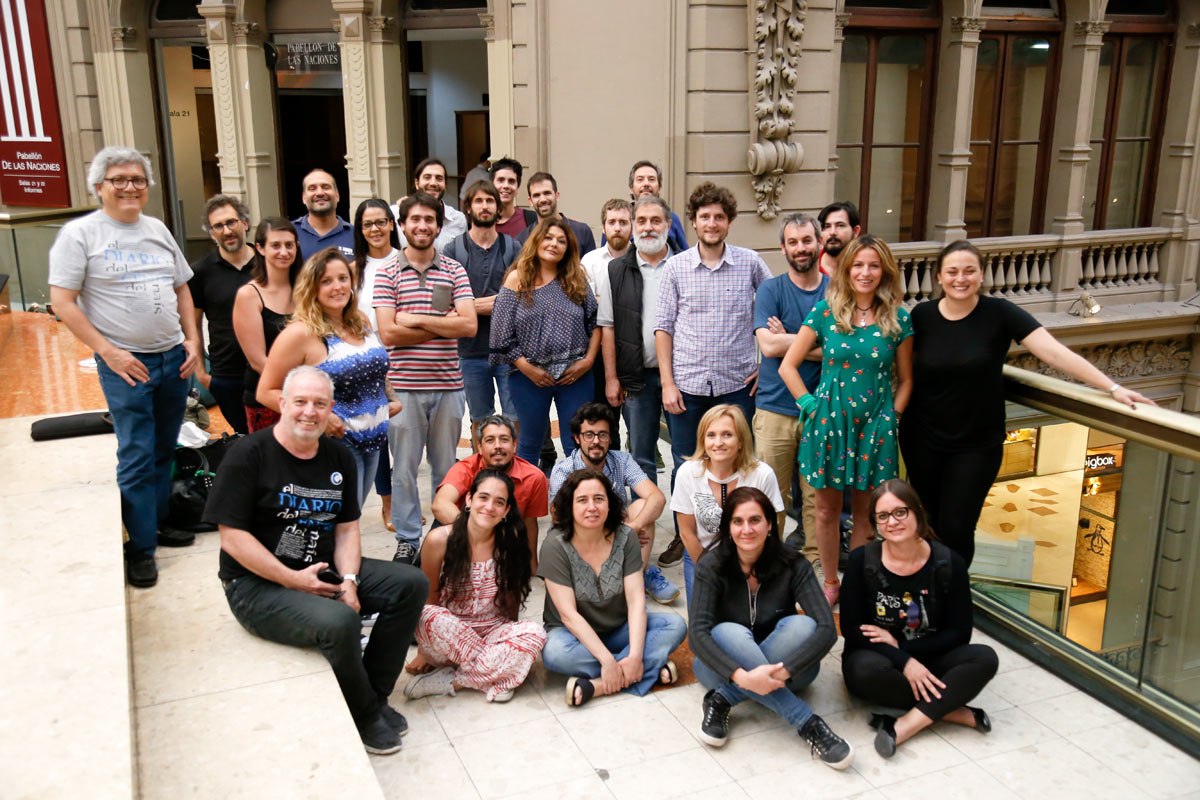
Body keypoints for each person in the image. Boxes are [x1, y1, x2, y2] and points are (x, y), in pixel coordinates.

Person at [204, 365, 428, 755]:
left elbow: (346, 529)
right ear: (282, 403)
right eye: (301, 402)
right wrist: (292, 580)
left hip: (324, 567)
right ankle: (364, 714)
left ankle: (373, 694)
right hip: (255, 585)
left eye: (320, 404)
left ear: (331, 409)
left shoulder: (337, 455)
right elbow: (233, 539)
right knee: (340, 620)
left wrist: (350, 581)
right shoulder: (248, 454)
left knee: (411, 584)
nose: (310, 412)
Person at [901, 240, 1155, 567]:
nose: (960, 278)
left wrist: (1112, 386)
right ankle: (928, 589)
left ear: (981, 275)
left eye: (969, 271)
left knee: (958, 527)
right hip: (922, 439)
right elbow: (903, 366)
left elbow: (1052, 352)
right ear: (939, 277)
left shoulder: (999, 313)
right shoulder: (922, 315)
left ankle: (954, 593)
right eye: (952, 272)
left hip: (976, 444)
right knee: (926, 522)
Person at [49, 146, 202, 587]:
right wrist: (108, 351)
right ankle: (139, 548)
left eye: (137, 179)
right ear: (99, 187)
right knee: (136, 455)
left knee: (163, 448)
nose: (130, 187)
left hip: (173, 359)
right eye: (119, 179)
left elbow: (182, 289)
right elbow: (63, 302)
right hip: (126, 365)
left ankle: (156, 522)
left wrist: (192, 340)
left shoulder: (157, 229)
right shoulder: (80, 235)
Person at [780, 234, 913, 606]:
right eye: (858, 265)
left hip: (875, 429)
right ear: (846, 269)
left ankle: (855, 583)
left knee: (865, 516)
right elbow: (789, 365)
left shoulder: (899, 318)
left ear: (884, 271)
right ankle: (829, 581)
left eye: (873, 265)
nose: (865, 273)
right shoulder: (826, 312)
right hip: (830, 427)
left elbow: (907, 380)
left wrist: (892, 418)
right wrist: (811, 406)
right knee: (825, 511)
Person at [689, 487, 852, 769]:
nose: (747, 529)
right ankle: (808, 723)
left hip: (789, 673)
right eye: (738, 521)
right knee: (727, 632)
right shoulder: (711, 565)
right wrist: (742, 675)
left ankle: (723, 699)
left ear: (770, 524)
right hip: (720, 669)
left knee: (803, 625)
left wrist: (785, 670)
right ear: (728, 527)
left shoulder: (793, 564)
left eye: (755, 520)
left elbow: (827, 628)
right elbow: (697, 636)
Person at [655, 182, 772, 568]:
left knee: (737, 464)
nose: (711, 223)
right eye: (704, 216)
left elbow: (774, 313)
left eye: (719, 216)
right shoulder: (676, 267)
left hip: (737, 387)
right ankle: (688, 534)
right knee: (687, 465)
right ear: (693, 221)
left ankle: (737, 533)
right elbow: (663, 327)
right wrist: (667, 383)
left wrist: (766, 366)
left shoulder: (750, 263)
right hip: (687, 388)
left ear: (729, 221)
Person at [840, 480, 999, 759]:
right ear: (875, 523)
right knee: (864, 670)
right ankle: (952, 710)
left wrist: (905, 651)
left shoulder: (949, 562)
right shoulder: (861, 560)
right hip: (881, 658)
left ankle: (903, 725)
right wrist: (903, 661)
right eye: (883, 516)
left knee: (985, 658)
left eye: (900, 512)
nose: (892, 522)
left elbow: (960, 633)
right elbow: (852, 629)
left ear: (918, 512)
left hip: (930, 654)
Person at [374, 192, 477, 563]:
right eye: (414, 219)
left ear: (438, 225)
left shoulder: (454, 270)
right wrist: (443, 325)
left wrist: (416, 319)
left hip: (448, 387)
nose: (422, 226)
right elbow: (389, 333)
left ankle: (442, 533)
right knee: (403, 469)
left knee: (446, 469)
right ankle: (407, 539)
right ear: (402, 226)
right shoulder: (387, 272)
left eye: (429, 220)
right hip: (403, 389)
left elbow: (468, 325)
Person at [256, 248, 400, 508]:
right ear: (312, 288)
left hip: (375, 439)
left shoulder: (360, 320)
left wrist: (391, 398)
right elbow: (266, 391)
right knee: (339, 517)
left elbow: (375, 365)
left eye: (343, 278)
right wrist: (320, 419)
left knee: (352, 513)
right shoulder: (300, 333)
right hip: (337, 442)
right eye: (327, 281)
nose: (338, 287)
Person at [539, 469, 687, 705]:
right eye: (582, 500)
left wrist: (636, 656)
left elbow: (636, 603)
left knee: (674, 624)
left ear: (609, 504)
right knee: (554, 652)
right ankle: (647, 669)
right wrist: (607, 661)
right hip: (572, 634)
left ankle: (598, 685)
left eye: (599, 499)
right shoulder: (554, 546)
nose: (592, 507)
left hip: (618, 627)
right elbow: (568, 616)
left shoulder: (626, 537)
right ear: (570, 506)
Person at [402, 468, 547, 702]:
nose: (489, 507)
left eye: (499, 502)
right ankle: (498, 673)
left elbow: (512, 602)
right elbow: (430, 600)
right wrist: (422, 653)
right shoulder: (439, 540)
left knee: (535, 634)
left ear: (506, 511)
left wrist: (511, 640)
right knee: (426, 615)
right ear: (469, 500)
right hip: (447, 637)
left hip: (492, 630)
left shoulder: (510, 541)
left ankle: (454, 681)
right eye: (483, 498)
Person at [489, 217, 600, 467]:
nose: (554, 244)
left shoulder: (576, 279)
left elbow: (595, 324)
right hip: (528, 377)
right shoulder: (517, 279)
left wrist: (588, 362)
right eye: (548, 238)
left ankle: (578, 491)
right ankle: (526, 491)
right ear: (536, 241)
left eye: (561, 241)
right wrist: (528, 368)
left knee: (577, 443)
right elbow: (500, 333)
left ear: (568, 248)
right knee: (529, 443)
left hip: (575, 376)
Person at [548, 403, 677, 605]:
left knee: (642, 507)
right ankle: (609, 580)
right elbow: (559, 518)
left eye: (602, 435)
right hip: (580, 537)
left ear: (610, 438)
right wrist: (611, 534)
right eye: (589, 435)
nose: (596, 441)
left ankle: (638, 577)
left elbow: (657, 498)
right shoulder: (564, 470)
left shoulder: (622, 460)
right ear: (577, 438)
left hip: (616, 529)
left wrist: (632, 527)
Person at [753, 213, 828, 557]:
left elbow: (841, 350)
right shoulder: (771, 289)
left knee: (818, 500)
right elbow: (768, 346)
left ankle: (814, 564)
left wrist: (789, 339)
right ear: (783, 248)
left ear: (819, 243)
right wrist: (815, 343)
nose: (801, 248)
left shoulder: (836, 292)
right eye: (793, 242)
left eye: (807, 240)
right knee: (771, 498)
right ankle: (772, 564)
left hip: (824, 411)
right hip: (775, 410)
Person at [671, 404, 784, 602]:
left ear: (741, 441)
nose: (718, 443)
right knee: (704, 616)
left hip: (752, 556)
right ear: (703, 440)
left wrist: (752, 572)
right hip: (702, 554)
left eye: (727, 435)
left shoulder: (762, 474)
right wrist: (711, 574)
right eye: (711, 435)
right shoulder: (687, 473)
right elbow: (687, 533)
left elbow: (773, 530)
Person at [442, 180, 519, 433]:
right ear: (468, 207)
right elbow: (444, 304)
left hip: (510, 351)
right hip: (470, 351)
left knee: (514, 419)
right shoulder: (453, 250)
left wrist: (466, 307)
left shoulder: (512, 247)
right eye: (478, 201)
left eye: (489, 201)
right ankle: (481, 461)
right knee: (479, 421)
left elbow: (520, 299)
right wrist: (500, 301)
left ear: (498, 208)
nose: (484, 206)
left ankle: (514, 461)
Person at [432, 414, 548, 571]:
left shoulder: (534, 477)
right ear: (479, 447)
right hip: (464, 534)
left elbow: (530, 524)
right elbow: (440, 504)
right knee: (437, 534)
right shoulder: (465, 469)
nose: (498, 446)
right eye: (490, 440)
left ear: (515, 445)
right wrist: (482, 532)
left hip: (506, 541)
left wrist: (532, 566)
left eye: (504, 440)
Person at [353, 198, 403, 531]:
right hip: (368, 363)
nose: (375, 229)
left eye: (381, 222)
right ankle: (387, 504)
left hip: (405, 359)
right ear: (360, 229)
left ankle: (406, 499)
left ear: (391, 225)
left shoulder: (405, 260)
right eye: (368, 224)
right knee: (378, 436)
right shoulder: (353, 269)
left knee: (406, 437)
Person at [189, 194, 255, 434]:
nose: (227, 231)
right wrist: (201, 374)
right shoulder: (200, 272)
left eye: (231, 222)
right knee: (245, 439)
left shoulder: (268, 263)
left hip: (271, 370)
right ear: (211, 233)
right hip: (227, 376)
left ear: (244, 223)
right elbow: (192, 326)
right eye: (218, 226)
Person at [232, 217, 302, 432]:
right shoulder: (249, 295)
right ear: (260, 248)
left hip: (308, 398)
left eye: (289, 245)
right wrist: (300, 390)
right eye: (276, 245)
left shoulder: (305, 290)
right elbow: (258, 361)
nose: (284, 252)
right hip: (268, 401)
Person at [580, 199, 633, 406]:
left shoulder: (643, 260)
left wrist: (602, 300)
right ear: (603, 227)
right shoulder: (590, 261)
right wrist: (627, 302)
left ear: (632, 227)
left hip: (635, 353)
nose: (617, 228)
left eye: (623, 222)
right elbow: (586, 305)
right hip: (598, 350)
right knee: (602, 414)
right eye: (612, 222)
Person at [514, 171, 598, 255]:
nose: (542, 199)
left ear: (557, 196)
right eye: (536, 195)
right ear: (530, 201)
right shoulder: (522, 239)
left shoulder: (582, 231)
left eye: (547, 193)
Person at [395, 157, 468, 252]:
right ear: (417, 183)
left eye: (439, 178)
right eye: (427, 177)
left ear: (445, 184)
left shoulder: (458, 220)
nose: (433, 183)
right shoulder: (395, 213)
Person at [626, 160, 688, 252]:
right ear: (631, 188)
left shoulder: (672, 218)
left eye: (651, 179)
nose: (646, 184)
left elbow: (684, 253)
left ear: (659, 188)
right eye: (640, 180)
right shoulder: (619, 219)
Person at [292, 169, 354, 258]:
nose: (320, 193)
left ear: (337, 196)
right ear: (304, 198)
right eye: (312, 188)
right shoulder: (289, 233)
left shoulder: (355, 235)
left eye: (326, 187)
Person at [490, 157, 537, 239]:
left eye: (511, 181)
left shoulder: (532, 220)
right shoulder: (480, 221)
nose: (506, 186)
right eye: (501, 180)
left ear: (518, 187)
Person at [817, 201, 860, 277]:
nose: (832, 232)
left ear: (855, 231)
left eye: (840, 225)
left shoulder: (864, 270)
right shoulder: (809, 267)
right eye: (827, 226)